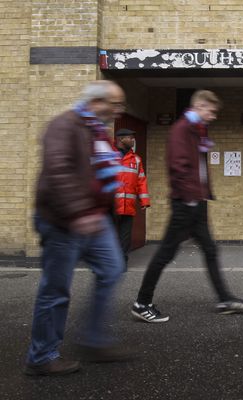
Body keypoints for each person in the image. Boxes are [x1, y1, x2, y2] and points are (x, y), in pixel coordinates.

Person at [25, 80, 133, 376]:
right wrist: (77, 213)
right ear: (97, 102)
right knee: (56, 290)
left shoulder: (95, 130)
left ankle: (94, 340)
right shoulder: (64, 125)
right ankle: (42, 357)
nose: (118, 110)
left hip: (94, 219)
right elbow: (58, 171)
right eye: (115, 104)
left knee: (112, 269)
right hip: (64, 221)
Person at [131, 89, 243, 323]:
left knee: (209, 249)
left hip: (196, 202)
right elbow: (178, 167)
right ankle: (142, 302)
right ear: (199, 107)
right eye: (211, 111)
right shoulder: (182, 130)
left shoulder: (197, 131)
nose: (213, 116)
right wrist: (189, 199)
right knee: (165, 253)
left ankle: (225, 299)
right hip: (186, 203)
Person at [113, 128, 151, 269]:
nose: (133, 140)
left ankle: (121, 263)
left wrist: (144, 201)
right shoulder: (108, 156)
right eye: (130, 137)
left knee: (125, 237)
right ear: (121, 139)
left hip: (128, 205)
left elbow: (141, 181)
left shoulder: (136, 159)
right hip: (110, 205)